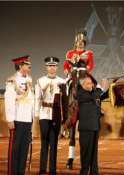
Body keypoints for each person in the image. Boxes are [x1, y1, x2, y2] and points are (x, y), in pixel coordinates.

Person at [64, 28, 95, 169]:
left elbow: (91, 65)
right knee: (64, 88)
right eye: (79, 42)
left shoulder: (89, 53)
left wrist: (85, 70)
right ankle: (64, 109)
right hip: (73, 76)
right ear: (75, 42)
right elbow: (65, 66)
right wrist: (68, 70)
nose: (81, 44)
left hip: (84, 76)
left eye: (83, 42)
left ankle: (96, 110)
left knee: (96, 87)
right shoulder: (70, 53)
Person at [35, 57, 67, 175]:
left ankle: (52, 169)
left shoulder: (62, 81)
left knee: (54, 142)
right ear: (46, 67)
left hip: (56, 114)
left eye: (54, 66)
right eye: (49, 66)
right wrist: (36, 115)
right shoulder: (40, 80)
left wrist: (65, 118)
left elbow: (65, 101)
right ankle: (42, 168)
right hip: (44, 113)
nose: (52, 68)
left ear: (57, 67)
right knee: (44, 142)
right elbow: (37, 98)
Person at [4, 55, 33, 175]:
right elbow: (9, 99)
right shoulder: (12, 80)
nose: (29, 66)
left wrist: (32, 117)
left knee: (24, 149)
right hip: (17, 118)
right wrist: (10, 119)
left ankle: (20, 172)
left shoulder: (29, 79)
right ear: (20, 66)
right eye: (27, 64)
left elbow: (31, 99)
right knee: (15, 149)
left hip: (27, 119)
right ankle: (12, 172)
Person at [77, 74, 109, 175]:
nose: (91, 85)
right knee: (86, 154)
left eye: (91, 83)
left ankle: (94, 172)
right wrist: (101, 88)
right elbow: (96, 95)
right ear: (82, 85)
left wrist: (113, 84)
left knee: (94, 153)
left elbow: (104, 95)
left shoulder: (94, 93)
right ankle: (84, 172)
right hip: (86, 128)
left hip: (95, 127)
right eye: (88, 83)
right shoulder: (81, 93)